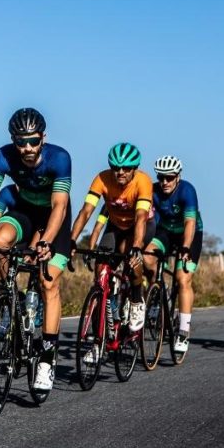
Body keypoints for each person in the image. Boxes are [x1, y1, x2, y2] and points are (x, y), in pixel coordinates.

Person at [0, 108, 72, 395]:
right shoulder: (2, 156)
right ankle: (12, 295)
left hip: (54, 218)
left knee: (48, 283)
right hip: (25, 212)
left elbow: (59, 205)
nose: (27, 148)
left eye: (33, 141)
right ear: (13, 140)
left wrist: (47, 241)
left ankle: (46, 357)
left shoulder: (60, 158)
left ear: (43, 137)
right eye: (21, 142)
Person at [70, 143, 154, 342]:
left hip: (140, 225)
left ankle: (136, 300)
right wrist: (71, 240)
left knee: (131, 258)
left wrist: (137, 247)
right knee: (101, 269)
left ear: (135, 168)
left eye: (126, 169)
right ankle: (100, 335)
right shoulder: (102, 179)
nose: (121, 172)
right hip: (115, 226)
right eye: (116, 168)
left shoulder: (143, 181)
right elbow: (86, 211)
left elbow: (141, 216)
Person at [142, 155, 203, 354]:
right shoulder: (153, 190)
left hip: (188, 233)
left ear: (178, 176)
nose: (165, 182)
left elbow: (190, 223)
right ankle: (158, 293)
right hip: (165, 231)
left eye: (169, 177)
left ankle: (183, 331)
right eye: (161, 177)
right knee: (147, 257)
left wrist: (185, 248)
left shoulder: (187, 190)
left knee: (182, 278)